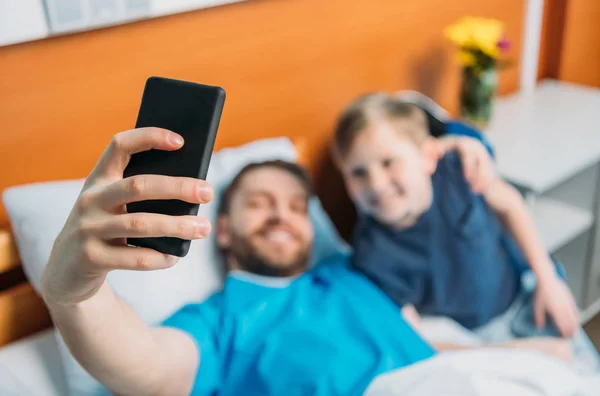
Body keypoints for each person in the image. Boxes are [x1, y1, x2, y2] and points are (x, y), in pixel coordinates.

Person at [41, 126, 571, 396]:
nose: (283, 217)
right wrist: (75, 294)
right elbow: (148, 367)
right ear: (221, 229)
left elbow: (421, 342)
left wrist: (521, 350)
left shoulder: (357, 272)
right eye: (260, 203)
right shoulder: (222, 320)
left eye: (297, 208)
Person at [332, 92, 599, 370]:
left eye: (388, 163)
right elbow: (417, 337)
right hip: (478, 342)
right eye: (358, 173)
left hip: (526, 294)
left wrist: (548, 280)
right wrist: (521, 352)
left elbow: (509, 205)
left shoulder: (458, 171)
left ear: (428, 156)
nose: (375, 184)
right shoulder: (370, 255)